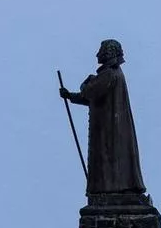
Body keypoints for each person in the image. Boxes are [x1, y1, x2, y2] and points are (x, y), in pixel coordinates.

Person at [59, 39, 146, 196]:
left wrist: (86, 83)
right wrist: (70, 95)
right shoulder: (114, 73)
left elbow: (89, 93)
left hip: (109, 128)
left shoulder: (109, 74)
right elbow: (92, 97)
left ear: (109, 53)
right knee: (112, 158)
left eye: (101, 51)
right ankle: (113, 187)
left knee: (108, 157)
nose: (97, 54)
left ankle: (111, 188)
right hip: (110, 126)